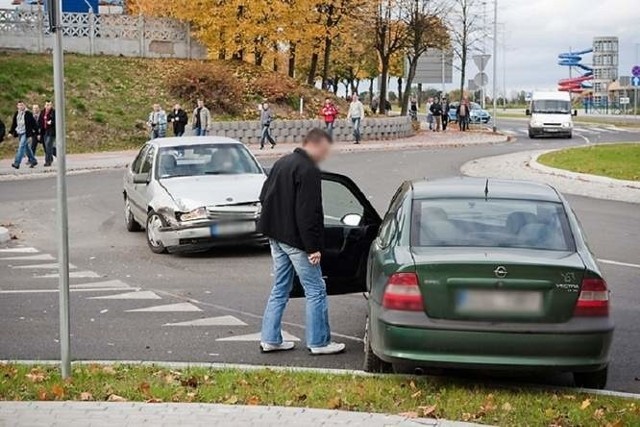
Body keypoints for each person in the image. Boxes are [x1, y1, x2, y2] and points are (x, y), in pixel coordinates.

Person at [258, 128, 345, 356]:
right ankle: (319, 342)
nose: (325, 155)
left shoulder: (282, 162)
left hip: (275, 236)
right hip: (297, 241)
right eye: (325, 150)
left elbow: (263, 196)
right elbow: (309, 212)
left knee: (280, 287)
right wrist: (313, 247)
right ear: (316, 145)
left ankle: (270, 339)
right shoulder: (309, 170)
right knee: (316, 289)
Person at [9, 101, 38, 169]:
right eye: (19, 105)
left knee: (21, 146)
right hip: (19, 132)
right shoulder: (17, 113)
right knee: (26, 148)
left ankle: (17, 163)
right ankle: (33, 160)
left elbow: (34, 123)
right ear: (17, 106)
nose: (21, 106)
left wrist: (37, 132)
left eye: (22, 105)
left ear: (24, 106)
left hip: (26, 133)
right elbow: (14, 124)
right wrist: (11, 132)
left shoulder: (28, 114)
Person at [39, 101, 56, 167]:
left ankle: (47, 161)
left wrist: (51, 122)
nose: (48, 106)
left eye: (49, 105)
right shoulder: (42, 112)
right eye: (47, 105)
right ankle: (52, 157)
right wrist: (39, 130)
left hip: (51, 131)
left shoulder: (53, 112)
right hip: (45, 131)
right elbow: (40, 121)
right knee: (47, 146)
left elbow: (55, 120)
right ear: (45, 105)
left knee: (48, 144)